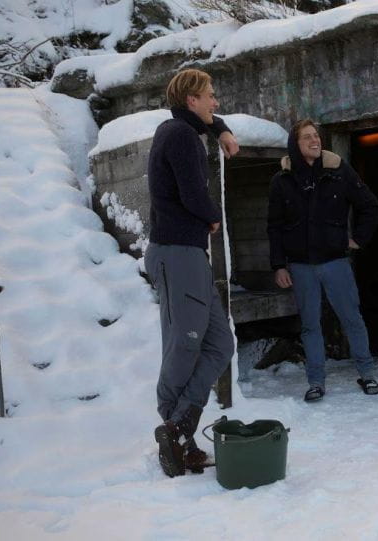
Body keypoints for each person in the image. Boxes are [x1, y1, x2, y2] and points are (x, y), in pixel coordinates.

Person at [143, 69, 240, 477]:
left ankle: (179, 428)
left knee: (220, 344)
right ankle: (176, 431)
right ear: (191, 100)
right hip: (177, 252)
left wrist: (220, 129)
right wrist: (212, 217)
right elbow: (191, 192)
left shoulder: (181, 128)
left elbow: (206, 120)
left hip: (187, 253)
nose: (215, 102)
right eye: (210, 96)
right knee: (184, 343)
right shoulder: (180, 136)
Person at [267, 119, 378, 402]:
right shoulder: (282, 180)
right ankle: (316, 382)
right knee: (310, 325)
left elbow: (370, 205)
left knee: (351, 318)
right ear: (295, 144)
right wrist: (278, 264)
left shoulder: (339, 171)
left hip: (335, 262)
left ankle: (367, 374)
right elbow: (274, 226)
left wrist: (358, 239)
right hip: (300, 265)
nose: (315, 141)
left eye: (316, 136)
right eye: (307, 137)